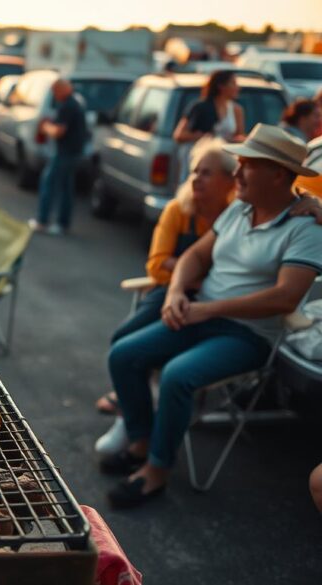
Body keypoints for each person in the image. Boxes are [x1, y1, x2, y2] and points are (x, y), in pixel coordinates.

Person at [102, 124, 322, 509]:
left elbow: (286, 297)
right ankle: (139, 441)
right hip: (199, 315)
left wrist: (207, 308)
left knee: (176, 375)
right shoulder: (240, 208)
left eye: (246, 165)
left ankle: (157, 471)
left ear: (277, 174)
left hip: (247, 336)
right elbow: (195, 256)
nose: (236, 174)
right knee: (123, 353)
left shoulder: (306, 226)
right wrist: (175, 294)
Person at [93, 141, 237, 453]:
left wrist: (186, 269)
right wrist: (192, 276)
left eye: (207, 173)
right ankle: (131, 420)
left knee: (139, 352)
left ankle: (136, 416)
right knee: (122, 338)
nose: (196, 178)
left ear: (230, 180)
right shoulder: (178, 210)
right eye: (195, 170)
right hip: (170, 292)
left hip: (209, 303)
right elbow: (157, 264)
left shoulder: (237, 216)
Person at [30, 79, 87, 235]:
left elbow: (58, 132)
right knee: (66, 188)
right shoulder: (76, 102)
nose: (54, 96)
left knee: (49, 182)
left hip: (66, 152)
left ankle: (42, 220)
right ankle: (63, 223)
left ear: (62, 90)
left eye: (55, 92)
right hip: (75, 151)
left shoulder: (68, 106)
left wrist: (45, 127)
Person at [173, 70, 246, 181]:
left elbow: (239, 136)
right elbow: (179, 135)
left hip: (224, 161)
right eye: (233, 83)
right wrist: (205, 137)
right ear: (221, 86)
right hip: (197, 158)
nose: (237, 88)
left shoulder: (237, 110)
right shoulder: (200, 107)